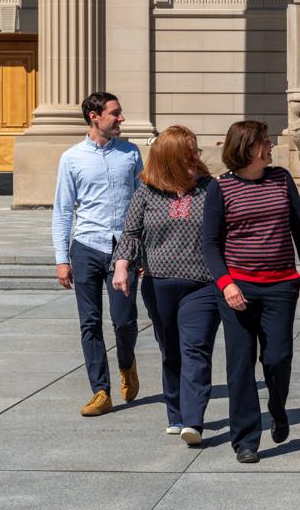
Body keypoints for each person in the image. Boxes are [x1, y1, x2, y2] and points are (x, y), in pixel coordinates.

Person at [201, 121, 300, 464]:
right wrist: (226, 284)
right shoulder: (220, 189)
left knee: (278, 357)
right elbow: (209, 244)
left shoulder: (281, 178)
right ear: (249, 148)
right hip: (237, 288)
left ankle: (277, 408)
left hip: (281, 285)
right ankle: (246, 439)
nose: (271, 147)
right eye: (265, 142)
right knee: (240, 364)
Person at [111, 126, 220, 447]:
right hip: (158, 285)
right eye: (189, 154)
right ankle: (175, 413)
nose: (196, 158)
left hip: (202, 285)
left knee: (196, 350)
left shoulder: (210, 188)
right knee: (170, 351)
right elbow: (131, 233)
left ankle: (193, 420)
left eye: (197, 152)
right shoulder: (146, 190)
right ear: (171, 158)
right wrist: (121, 267)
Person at [53, 91, 143, 417]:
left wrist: (141, 252)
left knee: (124, 321)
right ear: (95, 116)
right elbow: (63, 210)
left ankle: (127, 363)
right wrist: (62, 258)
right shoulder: (71, 157)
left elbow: (141, 204)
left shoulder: (131, 153)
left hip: (124, 250)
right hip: (86, 247)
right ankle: (101, 391)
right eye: (115, 113)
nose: (121, 118)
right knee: (90, 323)